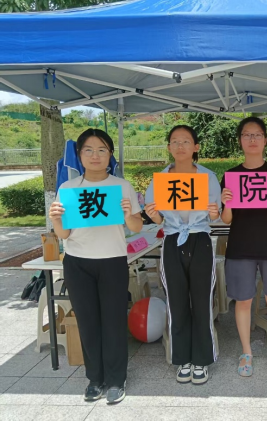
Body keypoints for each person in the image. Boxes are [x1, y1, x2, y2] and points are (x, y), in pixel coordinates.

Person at [49, 129, 143, 404]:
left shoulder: (121, 186)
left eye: (102, 150)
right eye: (88, 150)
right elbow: (64, 234)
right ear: (79, 155)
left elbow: (136, 227)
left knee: (113, 321)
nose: (95, 155)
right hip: (78, 263)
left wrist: (128, 214)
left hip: (112, 261)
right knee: (88, 322)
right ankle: (94, 379)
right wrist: (56, 220)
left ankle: (116, 379)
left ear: (110, 154)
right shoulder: (68, 189)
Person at [144, 125, 221, 385]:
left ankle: (202, 358)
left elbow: (216, 214)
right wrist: (154, 216)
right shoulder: (160, 179)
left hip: (200, 239)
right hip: (172, 239)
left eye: (186, 141)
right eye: (175, 141)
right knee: (176, 303)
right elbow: (156, 216)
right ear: (169, 147)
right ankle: (182, 359)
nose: (180, 146)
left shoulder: (208, 177)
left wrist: (214, 213)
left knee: (201, 301)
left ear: (196, 147)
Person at [220, 117, 267, 377]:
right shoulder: (231, 175)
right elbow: (226, 219)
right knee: (243, 301)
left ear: (265, 140)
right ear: (240, 140)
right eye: (247, 135)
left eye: (257, 135)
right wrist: (227, 203)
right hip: (240, 246)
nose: (252, 139)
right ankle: (246, 352)